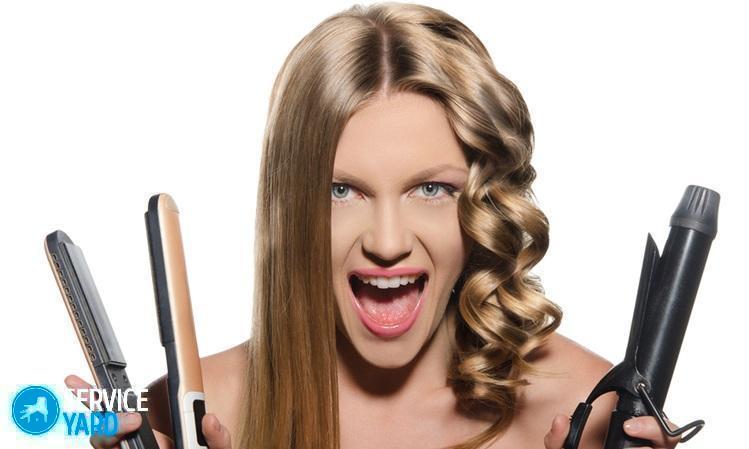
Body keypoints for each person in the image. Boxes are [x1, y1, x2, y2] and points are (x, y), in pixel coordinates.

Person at [65, 3, 682, 448]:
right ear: (290, 208)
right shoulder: (191, 413)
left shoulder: (590, 411)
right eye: (341, 191)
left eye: (432, 189)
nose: (388, 243)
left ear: (484, 201)